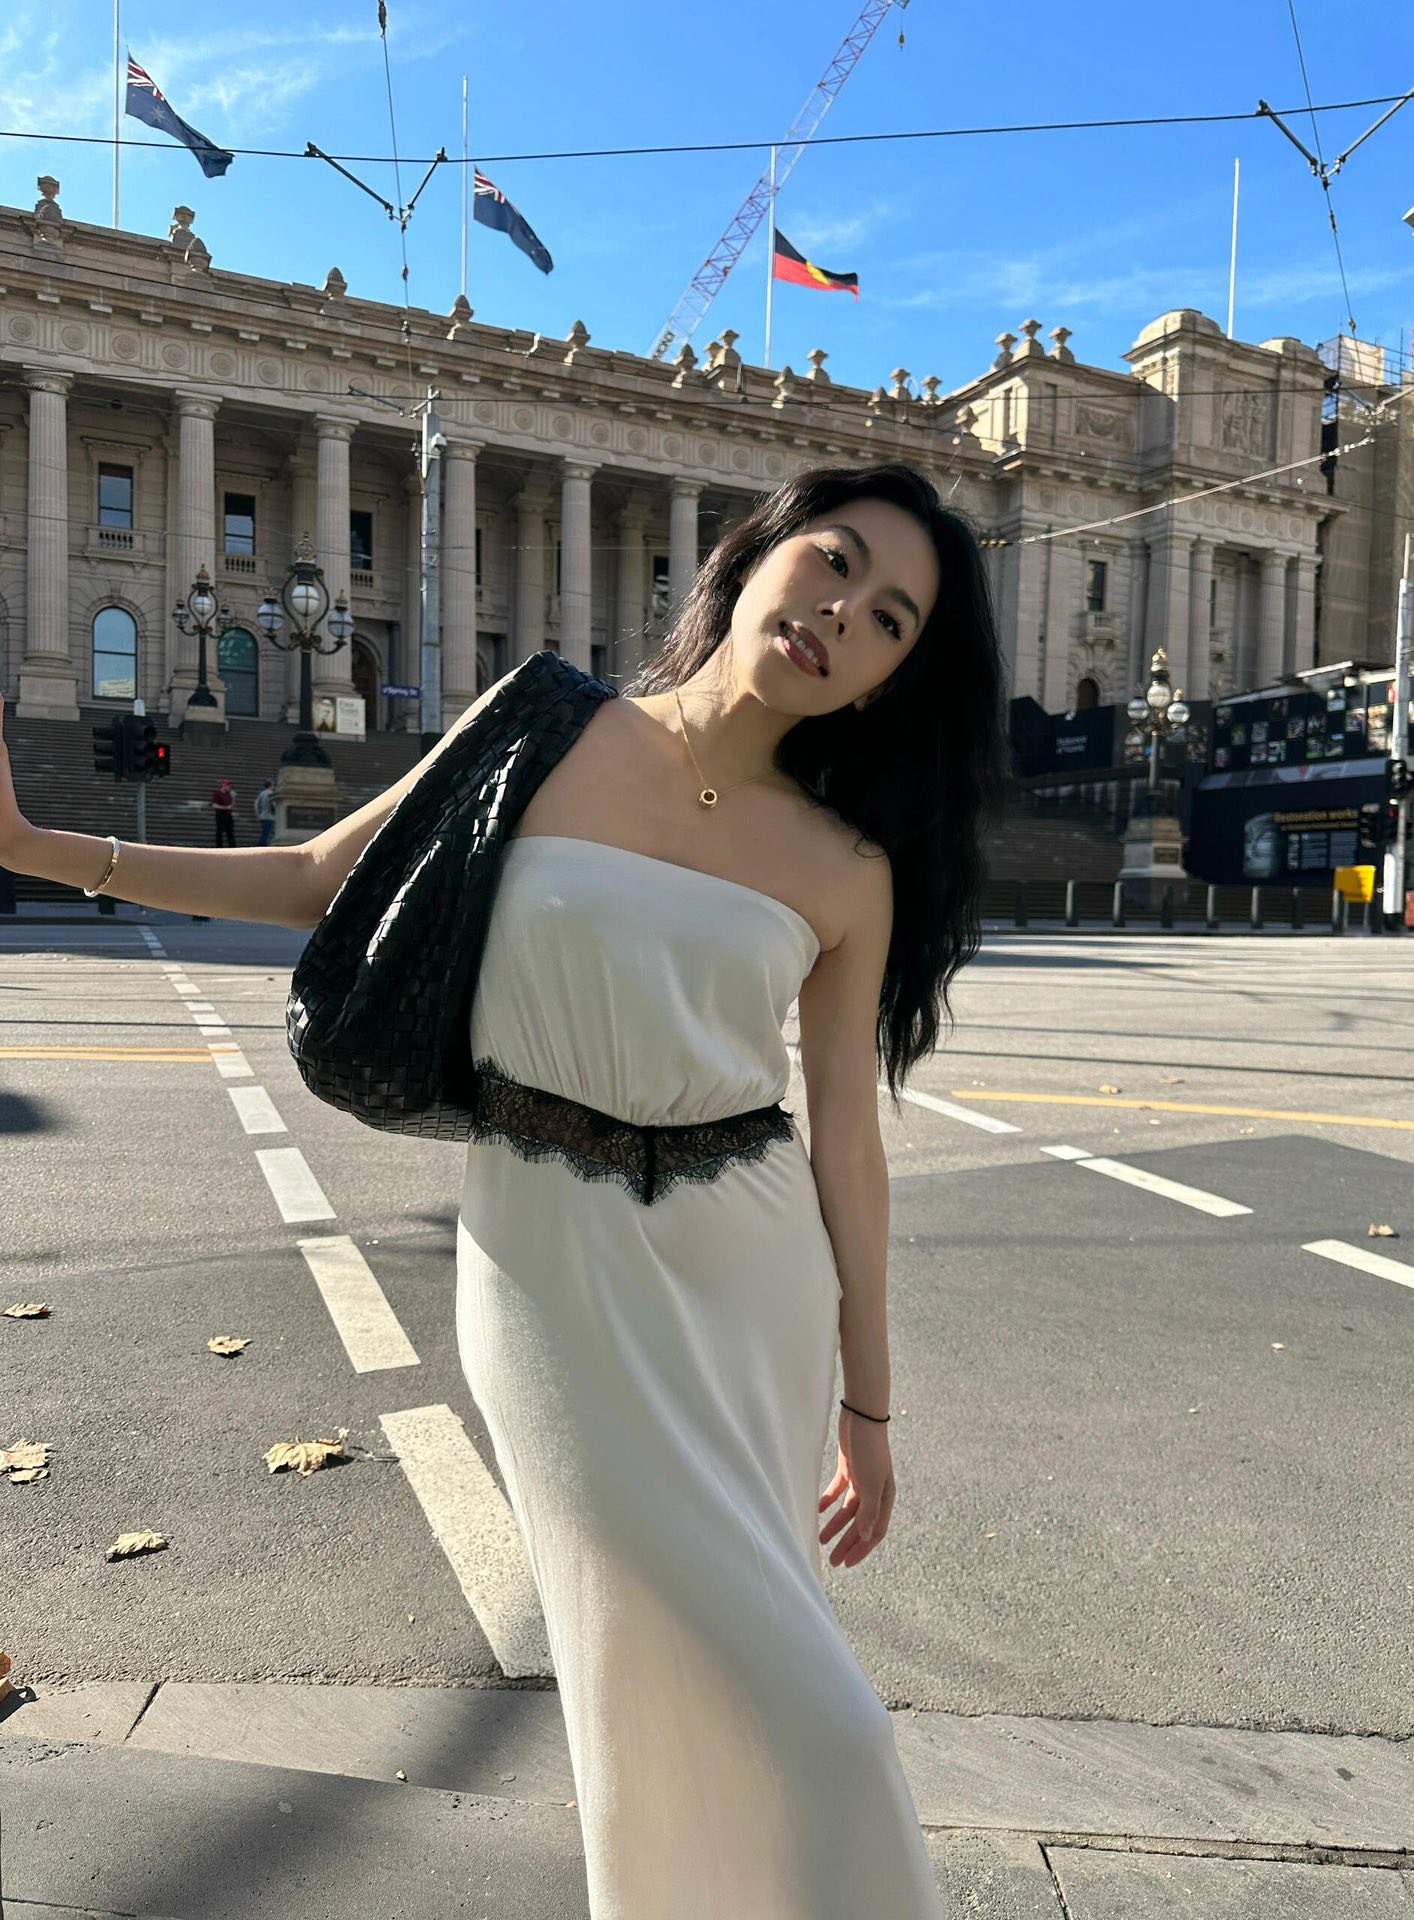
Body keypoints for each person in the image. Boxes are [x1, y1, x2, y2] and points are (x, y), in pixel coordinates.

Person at [0, 462, 1010, 1916]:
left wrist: (872, 1406)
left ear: (886, 683)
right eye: (837, 562)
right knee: (736, 1687)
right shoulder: (544, 724)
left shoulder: (850, 868)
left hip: (752, 1283)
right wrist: (43, 851)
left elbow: (847, 1143)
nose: (847, 612)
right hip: (550, 1269)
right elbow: (320, 875)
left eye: (893, 619)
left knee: (744, 1684)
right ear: (757, 556)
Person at [211, 776, 236, 847]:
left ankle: (232, 847)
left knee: (230, 832)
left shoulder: (229, 795)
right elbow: (214, 805)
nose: (230, 788)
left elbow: (232, 806)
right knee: (220, 832)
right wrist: (225, 807)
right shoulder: (217, 794)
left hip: (228, 815)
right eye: (229, 786)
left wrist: (233, 798)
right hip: (220, 815)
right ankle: (219, 847)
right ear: (224, 786)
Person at [255, 778, 277, 847]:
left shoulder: (262, 793)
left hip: (263, 816)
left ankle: (262, 844)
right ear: (271, 785)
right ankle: (261, 845)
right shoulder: (271, 793)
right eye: (273, 785)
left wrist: (258, 814)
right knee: (266, 833)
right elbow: (273, 805)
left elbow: (256, 803)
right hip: (269, 816)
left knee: (265, 832)